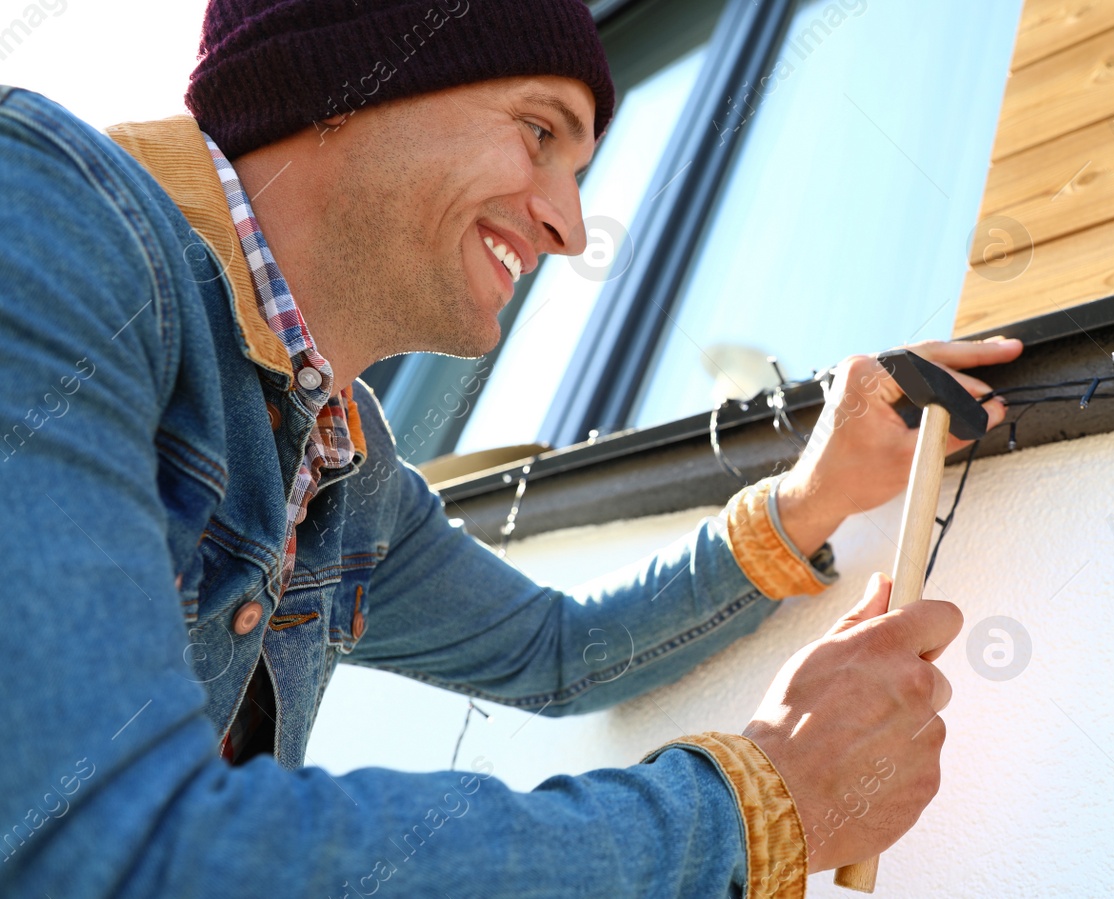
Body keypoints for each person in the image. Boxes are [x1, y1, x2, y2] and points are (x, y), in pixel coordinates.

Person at [0, 0, 1022, 894]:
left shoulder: (348, 465)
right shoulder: (42, 215)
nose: (571, 227)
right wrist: (756, 803)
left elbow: (557, 651)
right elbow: (100, 846)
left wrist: (811, 494)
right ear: (350, 78)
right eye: (539, 132)